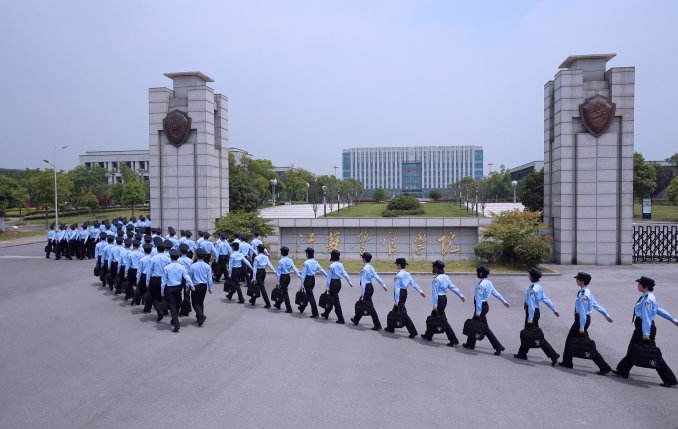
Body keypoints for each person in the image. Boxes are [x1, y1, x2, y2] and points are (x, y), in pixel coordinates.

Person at [614, 276, 678, 387]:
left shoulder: (648, 299)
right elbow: (658, 310)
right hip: (642, 328)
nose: (637, 285)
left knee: (653, 354)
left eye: (639, 284)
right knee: (632, 349)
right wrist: (673, 319)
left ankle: (670, 379)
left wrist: (646, 334)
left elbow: (647, 317)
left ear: (645, 286)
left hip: (644, 328)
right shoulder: (648, 297)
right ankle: (622, 370)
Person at [558, 272, 614, 374]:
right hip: (582, 320)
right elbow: (596, 304)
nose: (576, 280)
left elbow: (583, 311)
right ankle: (567, 362)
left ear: (582, 281)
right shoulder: (586, 291)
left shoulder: (583, 295)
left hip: (581, 321)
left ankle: (604, 367)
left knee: (584, 344)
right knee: (573, 341)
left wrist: (582, 327)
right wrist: (606, 315)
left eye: (578, 279)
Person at [514, 267, 560, 365]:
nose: (528, 275)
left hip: (532, 313)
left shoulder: (533, 290)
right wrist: (554, 309)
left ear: (532, 276)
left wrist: (530, 318)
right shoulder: (538, 287)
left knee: (536, 336)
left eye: (529, 274)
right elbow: (546, 299)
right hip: (535, 312)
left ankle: (553, 355)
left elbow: (531, 305)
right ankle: (522, 353)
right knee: (528, 333)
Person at [462, 265, 510, 355]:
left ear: (480, 273)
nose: (476, 273)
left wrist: (478, 312)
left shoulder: (481, 285)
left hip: (481, 307)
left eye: (477, 272)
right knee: (475, 325)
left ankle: (498, 347)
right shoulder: (488, 283)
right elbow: (496, 293)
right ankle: (470, 344)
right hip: (485, 306)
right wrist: (504, 301)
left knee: (483, 328)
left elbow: (479, 300)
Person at [421, 260, 465, 346]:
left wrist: (434, 305)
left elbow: (435, 294)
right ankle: (428, 335)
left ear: (437, 268)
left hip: (439, 300)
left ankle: (453, 339)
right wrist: (461, 295)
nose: (432, 268)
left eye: (433, 267)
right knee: (434, 317)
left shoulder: (436, 280)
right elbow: (453, 287)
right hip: (444, 299)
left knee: (443, 320)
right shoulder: (446, 277)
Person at [385, 257, 425, 337]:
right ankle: (390, 327)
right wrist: (420, 291)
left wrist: (396, 300)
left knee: (403, 313)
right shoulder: (407, 274)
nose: (396, 265)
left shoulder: (398, 275)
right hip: (404, 292)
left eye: (396, 264)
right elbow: (413, 284)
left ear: (399, 265)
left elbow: (396, 289)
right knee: (395, 310)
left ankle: (413, 332)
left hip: (399, 293)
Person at [350, 252, 386, 330]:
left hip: (366, 288)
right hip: (370, 287)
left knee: (368, 306)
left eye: (362, 257)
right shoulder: (371, 267)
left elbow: (363, 282)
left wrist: (362, 293)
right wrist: (383, 285)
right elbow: (376, 276)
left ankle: (377, 325)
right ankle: (356, 319)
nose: (362, 258)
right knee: (363, 303)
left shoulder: (365, 269)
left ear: (364, 259)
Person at [161, 249, 193, 333]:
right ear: (178, 257)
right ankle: (176, 323)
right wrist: (191, 285)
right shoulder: (181, 267)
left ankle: (174, 319)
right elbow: (186, 276)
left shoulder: (166, 267)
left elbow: (163, 280)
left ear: (170, 257)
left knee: (173, 306)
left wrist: (162, 290)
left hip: (169, 288)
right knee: (177, 304)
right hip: (178, 288)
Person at [322, 250, 353, 323]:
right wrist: (349, 281)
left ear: (332, 256)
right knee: (330, 298)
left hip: (333, 283)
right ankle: (326, 313)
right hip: (338, 283)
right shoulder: (340, 265)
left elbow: (328, 278)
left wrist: (327, 287)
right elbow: (344, 273)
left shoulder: (331, 266)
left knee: (334, 301)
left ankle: (341, 319)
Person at [298, 247, 327, 317]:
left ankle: (315, 313)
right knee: (309, 295)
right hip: (313, 280)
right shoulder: (315, 262)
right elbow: (321, 270)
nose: (306, 254)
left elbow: (303, 275)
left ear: (307, 254)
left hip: (307, 280)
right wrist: (327, 276)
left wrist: (301, 285)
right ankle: (302, 307)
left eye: (306, 253)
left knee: (310, 296)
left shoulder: (306, 263)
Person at [148, 241, 171, 321]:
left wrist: (147, 281)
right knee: (163, 296)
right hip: (164, 278)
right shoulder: (167, 258)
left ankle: (159, 310)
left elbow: (149, 271)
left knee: (154, 297)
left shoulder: (153, 258)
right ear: (164, 249)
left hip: (155, 278)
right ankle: (164, 310)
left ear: (157, 249)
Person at [275, 246, 302, 313]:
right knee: (283, 291)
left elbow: (278, 272)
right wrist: (299, 275)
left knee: (284, 292)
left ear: (281, 252)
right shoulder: (290, 260)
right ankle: (278, 304)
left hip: (283, 277)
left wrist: (278, 281)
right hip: (288, 277)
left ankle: (289, 308)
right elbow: (294, 268)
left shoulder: (281, 261)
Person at [190, 249, 213, 326]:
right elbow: (209, 278)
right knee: (200, 301)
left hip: (195, 286)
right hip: (204, 286)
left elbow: (190, 277)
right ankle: (199, 318)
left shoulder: (193, 266)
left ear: (196, 256)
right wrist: (210, 288)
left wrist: (188, 286)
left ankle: (201, 316)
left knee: (194, 303)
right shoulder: (207, 266)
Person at [178, 244, 194, 316]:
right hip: (188, 278)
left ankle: (180, 307)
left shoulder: (178, 260)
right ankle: (186, 310)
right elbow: (191, 271)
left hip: (180, 278)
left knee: (178, 294)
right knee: (187, 294)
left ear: (180, 252)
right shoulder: (190, 260)